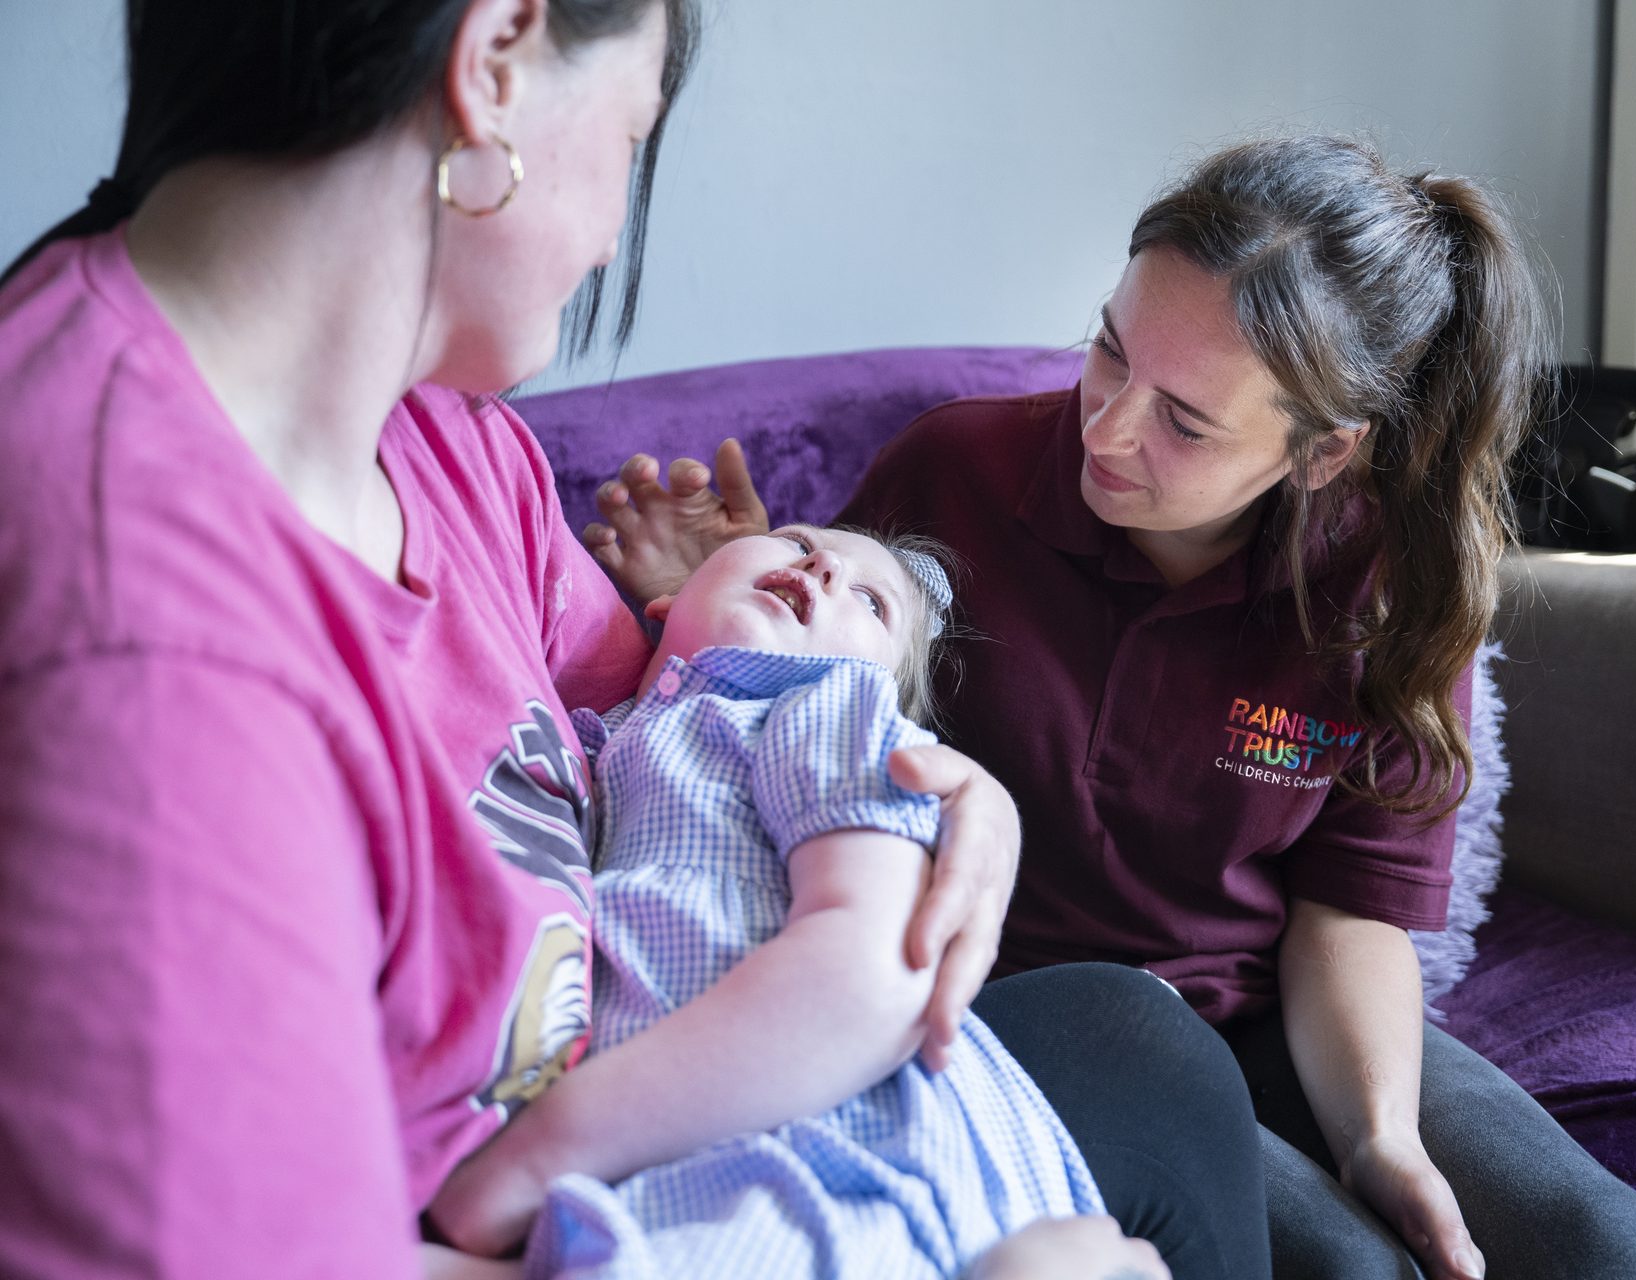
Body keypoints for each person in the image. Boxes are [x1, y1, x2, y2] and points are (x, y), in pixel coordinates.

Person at [0, 4, 1268, 1278]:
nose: (616, 229)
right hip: (609, 1214)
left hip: (692, 1108)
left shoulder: (453, 443)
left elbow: (693, 707)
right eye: (634, 135)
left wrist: (940, 792)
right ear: (496, 59)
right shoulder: (139, 639)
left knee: (1137, 1049)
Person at [586, 135, 1636, 1279]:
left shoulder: (1387, 587)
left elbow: (1350, 912)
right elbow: (817, 725)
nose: (1106, 427)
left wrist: (1379, 1133)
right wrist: (716, 593)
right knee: (1352, 1270)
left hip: (1265, 1005)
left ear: (1322, 454)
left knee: (1600, 1243)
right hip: (1035, 1011)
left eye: (1186, 422)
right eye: (1110, 351)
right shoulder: (955, 474)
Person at [427, 524, 1138, 1277]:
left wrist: (534, 1160)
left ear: (887, 694)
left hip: (844, 1157)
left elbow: (871, 974)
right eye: (791, 540)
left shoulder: (819, 706)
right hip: (688, 1167)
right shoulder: (590, 749)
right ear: (662, 605)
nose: (823, 564)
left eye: (871, 602)